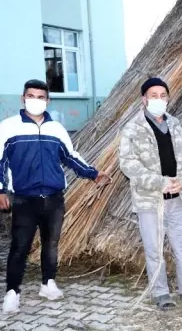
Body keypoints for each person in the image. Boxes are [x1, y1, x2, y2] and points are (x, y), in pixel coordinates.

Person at [0, 79, 108, 314]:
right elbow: (0, 160)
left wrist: (93, 173)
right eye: (31, 96)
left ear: (47, 101)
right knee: (20, 246)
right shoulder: (8, 127)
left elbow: (70, 156)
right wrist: (1, 190)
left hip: (54, 197)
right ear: (23, 98)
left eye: (40, 97)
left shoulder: (56, 129)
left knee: (51, 244)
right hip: (23, 198)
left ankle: (48, 283)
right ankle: (12, 292)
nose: (35, 101)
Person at [119, 77, 182, 311]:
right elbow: (129, 165)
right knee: (154, 249)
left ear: (167, 98)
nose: (158, 100)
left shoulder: (175, 124)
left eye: (163, 95)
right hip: (151, 201)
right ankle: (160, 293)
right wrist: (160, 183)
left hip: (177, 198)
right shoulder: (133, 128)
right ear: (144, 99)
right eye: (153, 95)